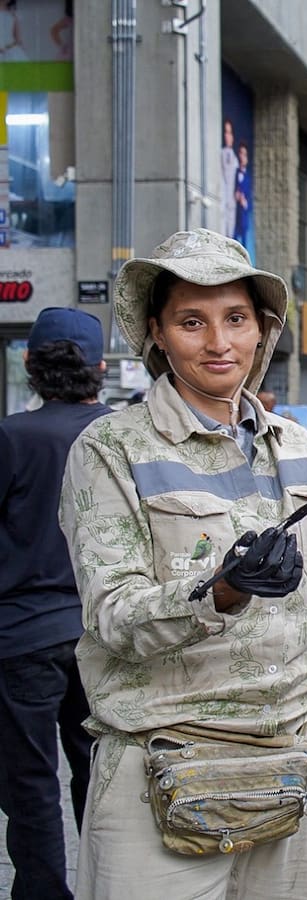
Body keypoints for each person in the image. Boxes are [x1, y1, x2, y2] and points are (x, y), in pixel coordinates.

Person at [57, 228, 307, 898]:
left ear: (262, 329)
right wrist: (218, 593)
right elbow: (112, 615)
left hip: (292, 759)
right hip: (163, 764)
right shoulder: (110, 448)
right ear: (158, 331)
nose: (219, 344)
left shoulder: (302, 451)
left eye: (235, 319)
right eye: (193, 321)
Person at [0, 308, 110, 900]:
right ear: (99, 368)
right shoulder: (120, 436)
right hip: (109, 635)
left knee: (30, 781)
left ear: (29, 365)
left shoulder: (11, 437)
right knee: (103, 778)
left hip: (22, 637)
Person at [220, 119, 239, 238]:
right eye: (226, 133)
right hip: (222, 198)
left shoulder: (235, 159)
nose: (228, 136)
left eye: (230, 133)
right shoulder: (220, 154)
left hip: (231, 201)